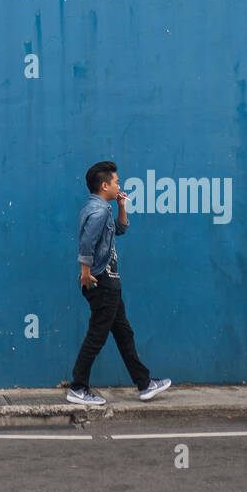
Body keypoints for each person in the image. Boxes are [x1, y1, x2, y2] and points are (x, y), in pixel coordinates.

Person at [67, 160, 172, 406]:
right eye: (116, 182)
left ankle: (144, 384)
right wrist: (85, 272)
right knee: (97, 335)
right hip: (101, 281)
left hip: (108, 281)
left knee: (124, 333)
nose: (119, 185)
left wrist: (122, 205)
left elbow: (121, 230)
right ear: (105, 185)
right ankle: (78, 387)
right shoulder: (100, 211)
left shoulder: (101, 208)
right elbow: (86, 243)